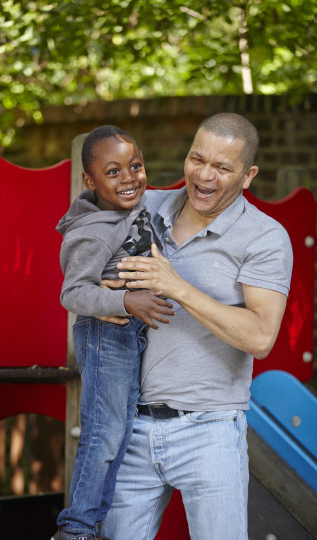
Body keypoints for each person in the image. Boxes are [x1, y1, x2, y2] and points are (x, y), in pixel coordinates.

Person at [100, 113, 293, 540]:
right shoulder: (144, 207)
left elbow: (261, 337)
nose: (204, 175)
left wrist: (176, 286)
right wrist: (108, 295)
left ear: (248, 176)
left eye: (222, 168)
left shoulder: (264, 236)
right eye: (197, 159)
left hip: (210, 430)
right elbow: (87, 271)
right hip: (129, 426)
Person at [51, 125, 174, 540]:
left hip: (130, 335)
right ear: (90, 181)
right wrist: (126, 302)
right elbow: (73, 292)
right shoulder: (92, 230)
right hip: (107, 334)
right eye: (114, 171)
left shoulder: (134, 206)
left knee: (119, 434)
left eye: (135, 166)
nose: (130, 178)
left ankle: (94, 525)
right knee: (104, 434)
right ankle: (76, 529)